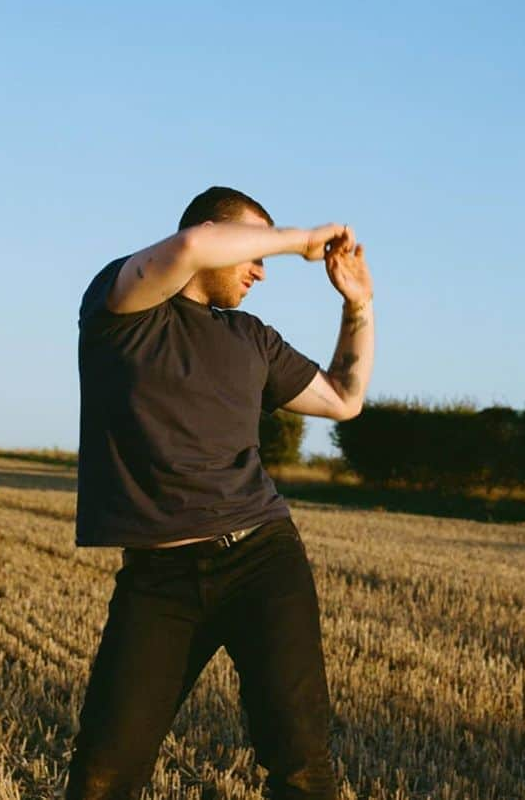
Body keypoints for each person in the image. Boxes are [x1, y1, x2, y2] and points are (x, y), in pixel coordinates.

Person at [66, 186, 375, 800]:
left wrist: (359, 308)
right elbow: (192, 246)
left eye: (265, 252)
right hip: (160, 578)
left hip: (261, 558)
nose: (262, 269)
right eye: (252, 249)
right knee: (102, 775)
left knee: (301, 765)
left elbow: (345, 398)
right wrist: (295, 239)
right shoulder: (121, 307)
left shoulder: (252, 339)